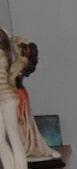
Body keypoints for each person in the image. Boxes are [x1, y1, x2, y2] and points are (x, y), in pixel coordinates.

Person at [11, 34, 61, 162]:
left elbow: (10, 80)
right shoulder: (21, 63)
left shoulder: (19, 64)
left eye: (16, 47)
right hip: (19, 93)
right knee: (22, 122)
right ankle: (25, 146)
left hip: (17, 94)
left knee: (20, 122)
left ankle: (26, 147)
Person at [0, 28, 32, 169]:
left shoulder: (2, 55)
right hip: (3, 99)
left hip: (6, 99)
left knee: (12, 135)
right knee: (1, 139)